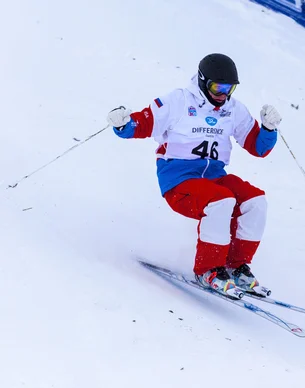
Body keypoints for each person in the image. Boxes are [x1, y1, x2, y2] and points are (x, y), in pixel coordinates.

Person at [107, 53, 282, 298]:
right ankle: (209, 269)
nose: (222, 94)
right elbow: (144, 123)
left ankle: (235, 267)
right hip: (179, 181)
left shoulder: (233, 109)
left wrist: (268, 129)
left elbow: (258, 147)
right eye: (216, 87)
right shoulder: (179, 101)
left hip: (213, 177)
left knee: (255, 201)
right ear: (202, 81)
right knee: (221, 200)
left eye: (228, 88)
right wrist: (123, 125)